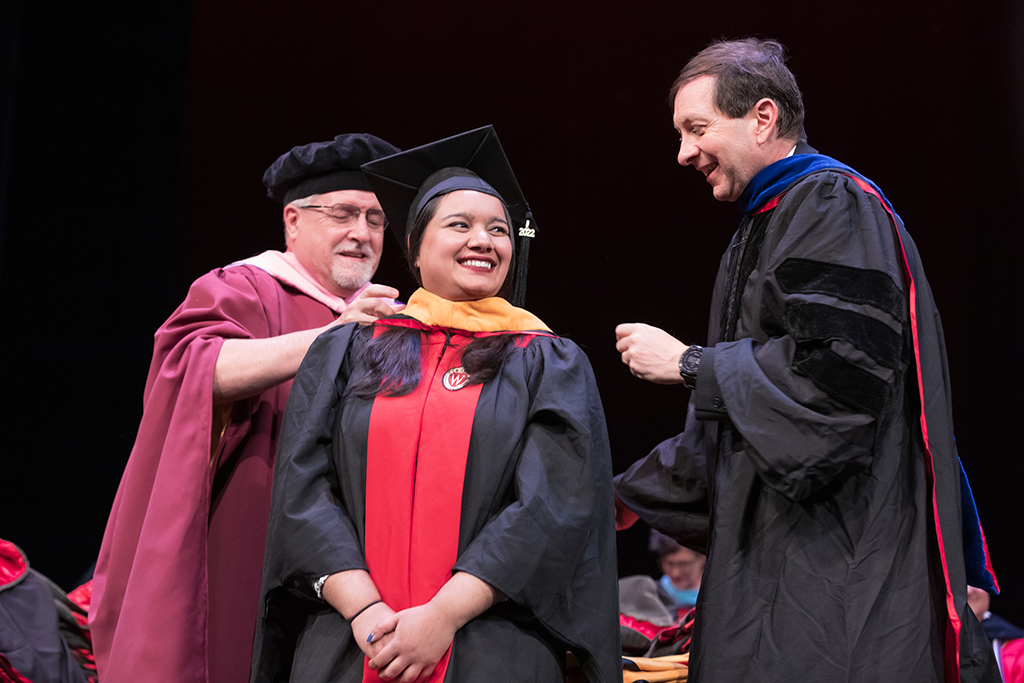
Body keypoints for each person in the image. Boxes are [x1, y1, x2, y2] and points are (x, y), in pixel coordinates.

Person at [613, 38, 1000, 683]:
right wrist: (623, 496)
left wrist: (690, 364)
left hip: (838, 573)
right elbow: (734, 432)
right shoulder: (769, 221)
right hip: (785, 564)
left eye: (696, 129)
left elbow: (837, 385)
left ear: (762, 118)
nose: (683, 152)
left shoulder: (829, 204)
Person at [251, 126, 620, 683]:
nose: (484, 240)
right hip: (352, 640)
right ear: (416, 251)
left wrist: (443, 616)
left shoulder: (548, 362)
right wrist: (367, 611)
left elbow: (552, 508)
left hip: (490, 642)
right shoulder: (349, 348)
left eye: (498, 229)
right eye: (460, 225)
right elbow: (303, 491)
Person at [89, 133, 402, 683]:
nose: (362, 233)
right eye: (343, 213)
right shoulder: (246, 288)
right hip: (252, 536)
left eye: (376, 219)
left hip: (365, 558)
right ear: (293, 221)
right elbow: (191, 370)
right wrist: (331, 337)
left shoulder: (394, 317)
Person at [969, 586, 1024, 682]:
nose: (968, 591)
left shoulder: (1018, 651)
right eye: (958, 582)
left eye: (973, 581)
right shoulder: (936, 647)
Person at [650, 531, 704, 613]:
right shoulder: (653, 596)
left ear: (702, 558)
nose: (675, 573)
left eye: (684, 564)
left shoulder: (718, 597)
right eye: (670, 564)